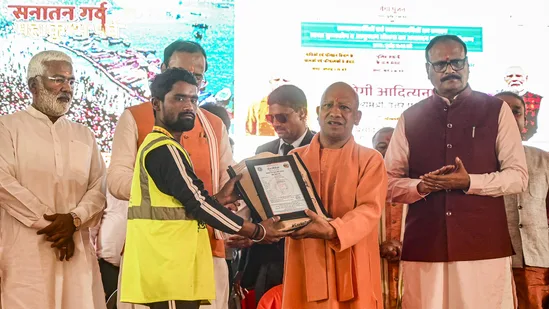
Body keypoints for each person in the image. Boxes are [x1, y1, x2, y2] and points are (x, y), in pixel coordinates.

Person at [119, 68, 288, 309]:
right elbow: (198, 204)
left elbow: (183, 205)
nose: (189, 106)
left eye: (193, 99)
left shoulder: (164, 147)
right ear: (156, 103)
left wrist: (218, 199)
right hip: (168, 268)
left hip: (170, 267)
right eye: (179, 98)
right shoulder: (164, 149)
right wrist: (257, 231)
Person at [385, 35, 528, 309]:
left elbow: (518, 177)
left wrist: (469, 182)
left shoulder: (496, 110)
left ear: (468, 65)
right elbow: (388, 184)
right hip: (425, 248)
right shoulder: (410, 118)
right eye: (440, 64)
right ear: (428, 70)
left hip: (483, 248)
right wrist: (422, 187)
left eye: (457, 62)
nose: (450, 70)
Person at [108, 40, 235, 309]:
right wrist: (173, 189)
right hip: (155, 252)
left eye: (197, 77)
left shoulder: (214, 124)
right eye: (179, 72)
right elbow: (116, 180)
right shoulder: (135, 117)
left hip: (205, 248)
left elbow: (226, 182)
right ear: (163, 70)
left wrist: (233, 211)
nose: (189, 80)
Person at [0, 50, 106, 308]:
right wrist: (55, 226)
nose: (66, 88)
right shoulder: (7, 127)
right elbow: (4, 183)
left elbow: (99, 187)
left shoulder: (84, 134)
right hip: (24, 252)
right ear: (33, 85)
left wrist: (73, 220)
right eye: (57, 79)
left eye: (71, 81)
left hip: (76, 250)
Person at [281, 82, 387, 308]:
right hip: (305, 258)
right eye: (328, 105)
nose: (335, 112)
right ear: (318, 113)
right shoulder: (294, 158)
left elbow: (370, 210)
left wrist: (333, 230)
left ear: (357, 117)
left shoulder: (371, 159)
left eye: (344, 107)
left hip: (352, 259)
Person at [229, 84, 315, 304]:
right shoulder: (263, 150)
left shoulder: (319, 148)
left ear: (302, 113)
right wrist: (249, 232)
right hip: (266, 255)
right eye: (271, 117)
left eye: (282, 117)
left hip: (308, 252)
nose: (276, 123)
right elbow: (257, 202)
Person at [495, 91, 549, 309]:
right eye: (500, 111)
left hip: (540, 260)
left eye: (515, 112)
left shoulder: (544, 160)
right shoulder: (473, 162)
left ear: (525, 120)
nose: (508, 116)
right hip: (494, 261)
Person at [373, 127, 407, 309]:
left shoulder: (423, 189)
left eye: (396, 146)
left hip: (413, 286)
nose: (390, 152)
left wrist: (410, 247)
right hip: (373, 288)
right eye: (382, 146)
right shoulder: (358, 189)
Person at [503, 66, 544, 141]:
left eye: (518, 76)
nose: (514, 79)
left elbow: (543, 131)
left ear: (526, 78)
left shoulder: (540, 100)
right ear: (505, 79)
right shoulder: (495, 99)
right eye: (510, 76)